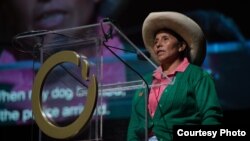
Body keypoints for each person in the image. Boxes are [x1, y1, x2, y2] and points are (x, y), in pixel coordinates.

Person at [127, 11, 223, 141]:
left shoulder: (197, 76)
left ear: (181, 46)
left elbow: (211, 116)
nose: (158, 44)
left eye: (165, 39)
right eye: (156, 41)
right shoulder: (146, 80)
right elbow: (134, 126)